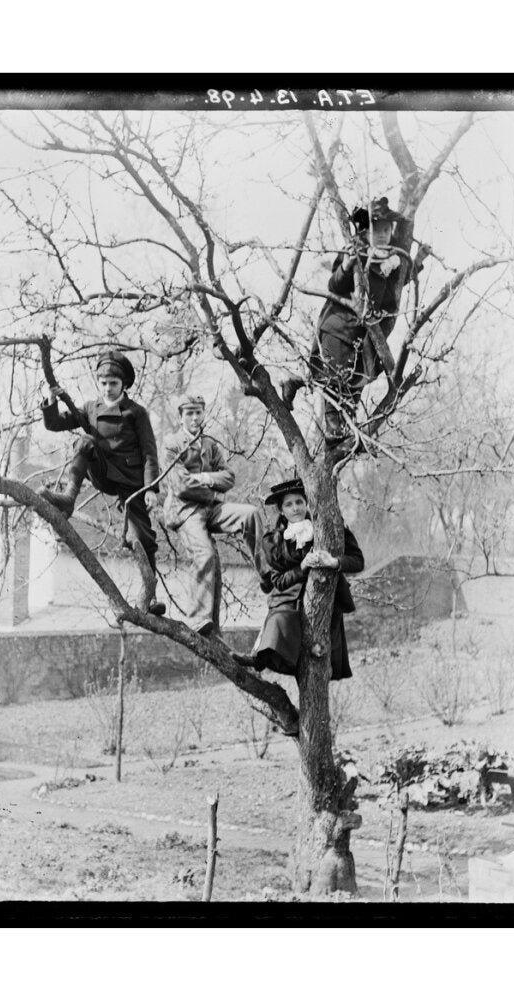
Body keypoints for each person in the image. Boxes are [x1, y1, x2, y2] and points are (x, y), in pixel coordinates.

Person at [38, 348, 166, 616]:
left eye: (114, 384)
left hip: (131, 482)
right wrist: (52, 402)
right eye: (104, 383)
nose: (108, 389)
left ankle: (150, 599)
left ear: (124, 384)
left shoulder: (136, 412)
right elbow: (55, 425)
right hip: (104, 472)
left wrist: (152, 488)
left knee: (141, 537)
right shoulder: (90, 408)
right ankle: (69, 497)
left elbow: (149, 452)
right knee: (85, 442)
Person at [282, 196, 409, 445]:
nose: (383, 235)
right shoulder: (356, 250)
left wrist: (420, 260)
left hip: (364, 335)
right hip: (341, 326)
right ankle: (333, 427)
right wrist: (349, 264)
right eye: (377, 230)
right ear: (366, 230)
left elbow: (398, 283)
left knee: (355, 377)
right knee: (334, 377)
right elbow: (335, 284)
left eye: (387, 230)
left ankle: (301, 387)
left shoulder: (392, 258)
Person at [162, 394, 264, 637]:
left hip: (211, 509)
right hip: (186, 511)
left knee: (250, 514)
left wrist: (206, 478)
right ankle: (198, 619)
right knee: (205, 553)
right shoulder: (171, 443)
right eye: (189, 413)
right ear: (181, 417)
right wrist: (211, 491)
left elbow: (229, 477)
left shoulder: (209, 444)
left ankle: (269, 573)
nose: (195, 417)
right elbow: (181, 486)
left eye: (198, 412)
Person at [253, 479, 364, 681]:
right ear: (281, 510)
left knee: (318, 656)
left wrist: (334, 562)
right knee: (281, 625)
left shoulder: (328, 530)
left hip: (326, 602)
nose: (295, 508)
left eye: (299, 502)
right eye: (288, 504)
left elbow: (358, 561)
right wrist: (302, 567)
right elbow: (278, 581)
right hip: (289, 604)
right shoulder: (274, 540)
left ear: (307, 503)